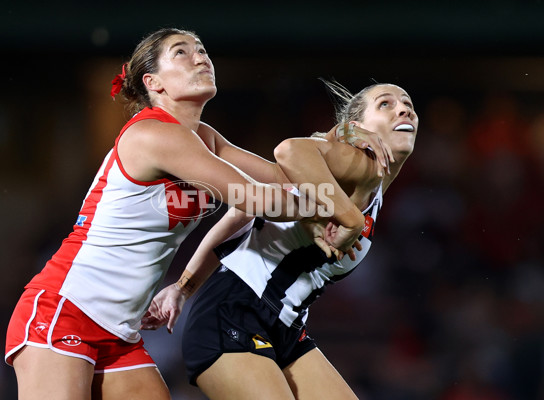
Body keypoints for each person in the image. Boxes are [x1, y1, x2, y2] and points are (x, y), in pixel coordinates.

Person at [3, 28, 392, 400]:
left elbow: (284, 176)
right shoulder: (155, 135)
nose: (200, 57)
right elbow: (258, 198)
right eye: (182, 53)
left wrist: (342, 141)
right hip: (63, 308)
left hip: (119, 332)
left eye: (202, 50)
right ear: (154, 83)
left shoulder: (203, 137)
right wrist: (336, 210)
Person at [142, 81, 418, 399]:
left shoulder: (366, 185)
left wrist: (183, 288)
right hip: (235, 313)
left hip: (285, 329)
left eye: (407, 103)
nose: (403, 108)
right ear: (358, 127)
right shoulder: (358, 166)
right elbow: (288, 150)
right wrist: (352, 221)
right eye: (385, 103)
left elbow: (240, 216)